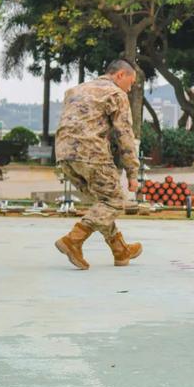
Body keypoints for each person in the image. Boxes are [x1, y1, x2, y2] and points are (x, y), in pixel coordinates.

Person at [53, 59, 143, 270]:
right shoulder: (116, 94)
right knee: (114, 201)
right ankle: (73, 240)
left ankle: (120, 250)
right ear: (120, 75)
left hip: (64, 155)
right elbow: (125, 135)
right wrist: (132, 173)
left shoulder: (75, 90)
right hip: (91, 153)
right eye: (130, 82)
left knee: (102, 203)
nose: (130, 89)